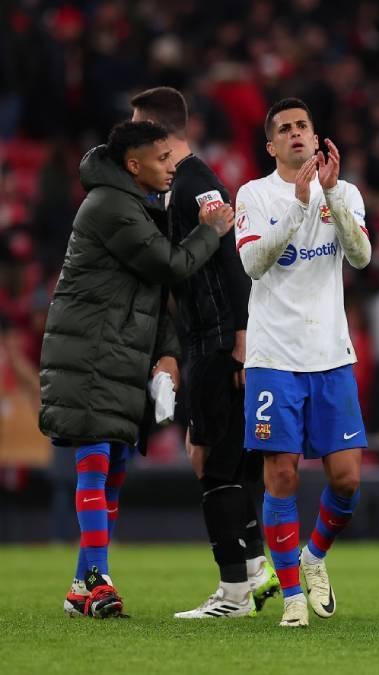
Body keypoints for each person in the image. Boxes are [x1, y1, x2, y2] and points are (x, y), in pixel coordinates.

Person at [42, 120, 231, 618]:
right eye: (163, 158)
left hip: (117, 350)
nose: (172, 167)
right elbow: (168, 265)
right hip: (90, 352)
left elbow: (149, 294)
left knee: (115, 467)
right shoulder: (111, 206)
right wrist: (209, 232)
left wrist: (164, 353)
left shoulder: (133, 205)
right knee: (98, 456)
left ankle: (82, 586)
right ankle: (98, 579)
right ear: (134, 164)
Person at [128, 86, 282, 619]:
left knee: (216, 464)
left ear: (155, 131)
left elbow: (231, 259)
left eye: (135, 126)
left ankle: (235, 590)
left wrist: (240, 336)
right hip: (205, 340)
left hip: (219, 340)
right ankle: (256, 569)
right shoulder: (179, 184)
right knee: (211, 459)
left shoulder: (198, 182)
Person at [235, 98, 372, 628]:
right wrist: (296, 204)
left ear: (316, 139)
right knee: (282, 474)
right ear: (271, 146)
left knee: (346, 480)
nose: (296, 134)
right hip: (273, 356)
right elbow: (252, 261)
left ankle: (313, 557)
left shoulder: (346, 193)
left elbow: (361, 256)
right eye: (285, 129)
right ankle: (292, 594)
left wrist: (331, 196)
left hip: (330, 354)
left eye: (303, 127)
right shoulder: (254, 194)